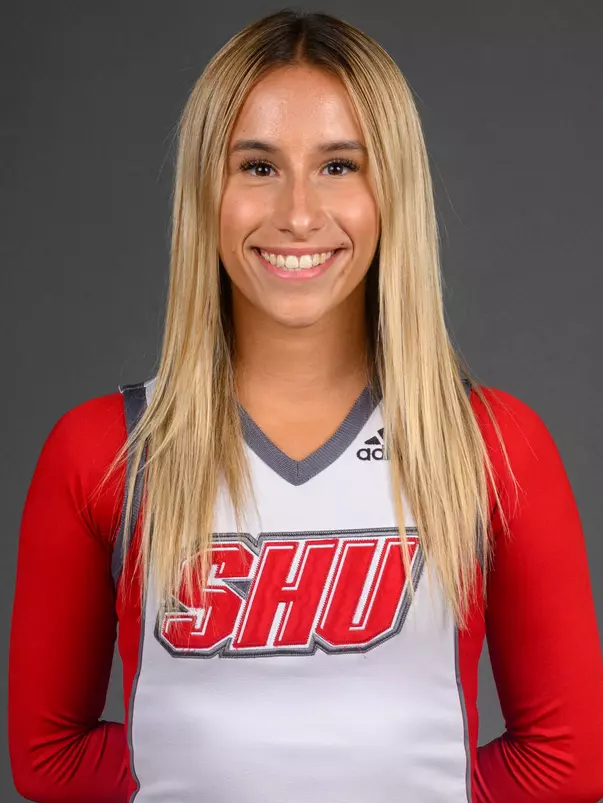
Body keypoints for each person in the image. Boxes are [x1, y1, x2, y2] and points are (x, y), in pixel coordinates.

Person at [8, 8, 603, 803]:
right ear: (204, 193)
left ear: (392, 187)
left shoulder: (491, 445)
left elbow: (568, 762)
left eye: (338, 166)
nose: (296, 212)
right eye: (256, 166)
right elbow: (47, 756)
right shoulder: (105, 450)